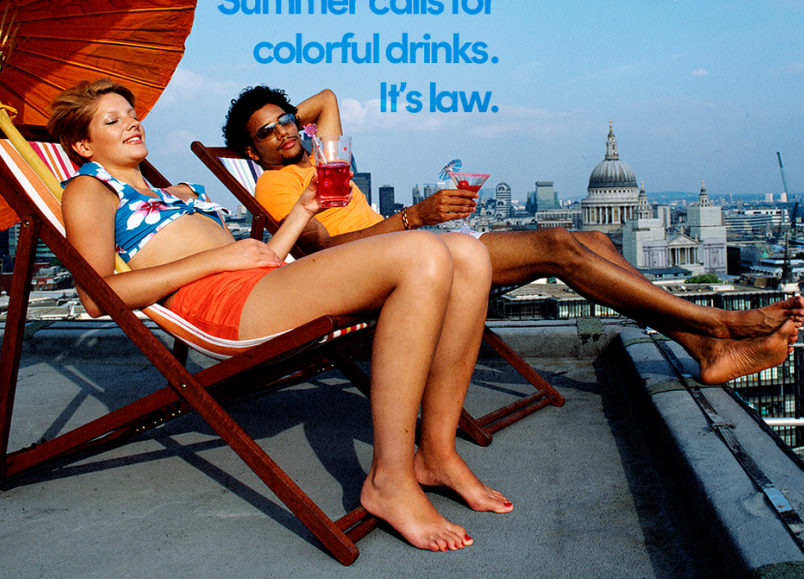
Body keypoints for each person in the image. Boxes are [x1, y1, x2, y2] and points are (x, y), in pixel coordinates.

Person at [50, 78, 511, 554]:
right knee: (421, 251)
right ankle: (390, 480)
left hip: (258, 288)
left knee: (466, 253)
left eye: (130, 112)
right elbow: (94, 294)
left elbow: (260, 258)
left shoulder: (178, 190)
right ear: (83, 144)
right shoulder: (89, 189)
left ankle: (436, 452)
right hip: (224, 309)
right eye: (113, 120)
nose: (131, 121)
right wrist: (215, 261)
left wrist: (302, 210)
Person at [224, 86, 804, 386]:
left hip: (417, 243)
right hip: (390, 263)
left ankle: (705, 349)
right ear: (252, 152)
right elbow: (324, 251)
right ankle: (720, 326)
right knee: (557, 246)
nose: (281, 134)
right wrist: (414, 218)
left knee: (594, 242)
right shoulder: (276, 187)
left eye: (284, 123)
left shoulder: (323, 160)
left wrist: (275, 119)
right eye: (265, 134)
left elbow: (324, 99)